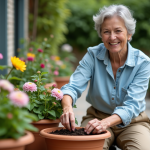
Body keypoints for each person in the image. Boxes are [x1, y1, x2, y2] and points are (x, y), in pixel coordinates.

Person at [60, 4, 150, 150]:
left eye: (118, 31)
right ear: (101, 35)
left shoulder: (143, 63)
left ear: (129, 34)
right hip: (96, 118)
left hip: (133, 123)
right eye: (106, 31)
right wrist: (67, 108)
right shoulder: (92, 55)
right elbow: (72, 86)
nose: (112, 37)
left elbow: (132, 105)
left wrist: (106, 123)